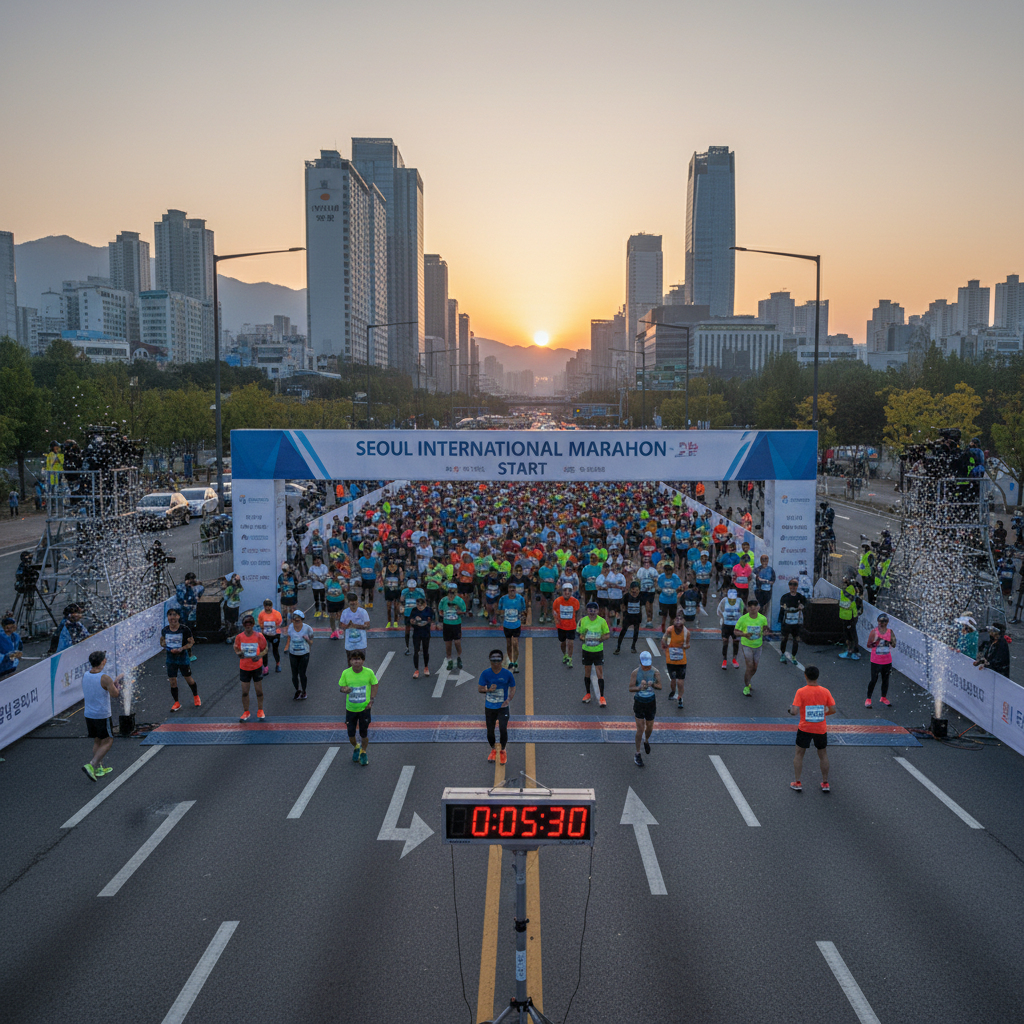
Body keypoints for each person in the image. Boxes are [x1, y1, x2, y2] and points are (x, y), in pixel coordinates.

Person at [788, 665, 836, 792]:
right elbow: (833, 709)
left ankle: (797, 782)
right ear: (817, 677)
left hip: (805, 728)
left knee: (799, 754)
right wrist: (822, 714)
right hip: (820, 728)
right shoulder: (825, 692)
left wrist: (791, 710)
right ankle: (825, 783)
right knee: (823, 754)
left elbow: (794, 711)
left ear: (805, 676)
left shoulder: (801, 692)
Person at [81, 650, 123, 780]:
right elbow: (115, 694)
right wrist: (118, 686)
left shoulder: (86, 674)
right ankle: (92, 764)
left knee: (98, 739)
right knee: (108, 740)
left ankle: (99, 768)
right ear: (103, 661)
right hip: (102, 715)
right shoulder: (105, 678)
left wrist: (113, 684)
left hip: (89, 714)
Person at [338, 650, 379, 765]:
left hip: (364, 709)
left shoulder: (369, 672)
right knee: (351, 735)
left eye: (359, 659)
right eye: (354, 659)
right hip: (350, 709)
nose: (357, 661)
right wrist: (344, 690)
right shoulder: (346, 673)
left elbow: (375, 684)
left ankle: (363, 751)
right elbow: (341, 687)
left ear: (363, 661)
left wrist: (371, 700)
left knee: (363, 734)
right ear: (350, 661)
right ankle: (356, 746)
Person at [478, 649, 516, 765]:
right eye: (493, 660)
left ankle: (503, 750)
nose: (496, 663)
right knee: (490, 731)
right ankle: (493, 749)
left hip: (502, 707)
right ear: (490, 661)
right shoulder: (485, 673)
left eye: (498, 660)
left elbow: (513, 687)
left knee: (503, 729)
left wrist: (508, 699)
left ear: (501, 661)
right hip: (490, 707)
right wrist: (488, 690)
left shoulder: (507, 674)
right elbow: (480, 688)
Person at [161, 606, 199, 711]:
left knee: (188, 679)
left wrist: (182, 648)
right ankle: (176, 703)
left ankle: (196, 696)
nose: (172, 617)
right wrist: (166, 646)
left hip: (182, 658)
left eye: (174, 615)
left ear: (178, 616)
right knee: (172, 681)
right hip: (170, 658)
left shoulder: (184, 629)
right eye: (170, 615)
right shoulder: (164, 630)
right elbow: (162, 642)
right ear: (167, 617)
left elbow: (191, 642)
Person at [629, 650, 661, 767]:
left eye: (648, 664)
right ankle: (637, 753)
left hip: (651, 702)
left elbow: (660, 686)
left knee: (650, 727)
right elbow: (630, 688)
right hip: (639, 702)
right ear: (640, 662)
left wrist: (653, 684)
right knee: (640, 729)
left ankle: (646, 740)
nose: (646, 666)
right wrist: (639, 687)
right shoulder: (635, 673)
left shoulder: (655, 671)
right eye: (644, 664)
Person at [233, 614, 268, 721]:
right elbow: (235, 647)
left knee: (259, 691)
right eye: (246, 624)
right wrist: (238, 653)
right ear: (244, 626)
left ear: (253, 625)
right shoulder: (239, 637)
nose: (248, 626)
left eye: (250, 624)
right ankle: (246, 712)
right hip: (244, 667)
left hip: (256, 667)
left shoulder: (259, 636)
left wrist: (259, 656)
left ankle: (260, 710)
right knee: (244, 692)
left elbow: (265, 649)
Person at [577, 600, 611, 706]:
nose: (592, 612)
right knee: (587, 672)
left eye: (594, 610)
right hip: (587, 650)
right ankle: (588, 694)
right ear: (587, 610)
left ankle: (602, 696)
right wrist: (584, 638)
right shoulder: (583, 621)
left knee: (599, 673)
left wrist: (599, 639)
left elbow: (607, 634)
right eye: (590, 610)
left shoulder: (602, 621)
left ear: (597, 611)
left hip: (598, 650)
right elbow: (580, 635)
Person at [735, 598, 769, 696]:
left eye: (755, 607)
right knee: (749, 666)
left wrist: (765, 631)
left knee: (754, 668)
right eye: (751, 607)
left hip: (758, 646)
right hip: (747, 645)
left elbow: (764, 628)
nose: (753, 609)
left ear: (758, 608)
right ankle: (746, 686)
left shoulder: (762, 618)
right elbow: (736, 631)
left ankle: (748, 680)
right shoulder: (743, 619)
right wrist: (745, 634)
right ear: (748, 608)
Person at [661, 610, 690, 709]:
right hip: (671, 660)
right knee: (673, 680)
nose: (678, 620)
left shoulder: (686, 633)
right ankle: (673, 692)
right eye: (676, 619)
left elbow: (687, 645)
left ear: (684, 621)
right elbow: (664, 641)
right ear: (673, 621)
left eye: (680, 619)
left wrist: (684, 646)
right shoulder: (670, 630)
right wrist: (665, 645)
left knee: (680, 681)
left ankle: (680, 698)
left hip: (681, 661)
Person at [865, 613, 895, 707]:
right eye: (880, 622)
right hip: (876, 660)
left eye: (883, 622)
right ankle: (868, 698)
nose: (881, 624)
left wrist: (888, 642)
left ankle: (883, 697)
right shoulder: (874, 632)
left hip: (887, 660)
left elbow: (894, 644)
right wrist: (876, 642)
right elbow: (868, 645)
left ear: (887, 623)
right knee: (874, 679)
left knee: (885, 680)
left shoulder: (890, 632)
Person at [283, 609, 314, 699]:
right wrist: (287, 647)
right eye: (294, 620)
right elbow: (289, 638)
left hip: (304, 654)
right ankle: (297, 690)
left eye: (298, 620)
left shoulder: (307, 628)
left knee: (302, 673)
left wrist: (307, 639)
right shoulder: (290, 628)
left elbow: (311, 642)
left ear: (302, 620)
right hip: (293, 654)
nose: (296, 622)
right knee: (294, 675)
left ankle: (304, 691)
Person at [498, 581, 526, 672]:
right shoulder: (503, 599)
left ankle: (515, 661)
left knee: (515, 643)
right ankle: (510, 661)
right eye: (510, 588)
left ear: (516, 590)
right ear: (508, 590)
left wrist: (522, 618)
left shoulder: (520, 599)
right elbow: (499, 611)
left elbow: (523, 611)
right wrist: (503, 615)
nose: (512, 590)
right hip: (507, 625)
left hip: (516, 625)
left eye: (513, 588)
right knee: (509, 644)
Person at [777, 579, 806, 665]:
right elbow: (782, 609)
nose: (793, 587)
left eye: (795, 585)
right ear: (789, 586)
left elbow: (806, 604)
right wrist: (780, 620)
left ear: (797, 586)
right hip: (787, 622)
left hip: (796, 623)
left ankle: (793, 656)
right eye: (791, 585)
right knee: (784, 638)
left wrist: (802, 606)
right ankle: (782, 654)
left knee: (796, 639)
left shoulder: (800, 597)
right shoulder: (784, 597)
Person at [439, 582, 467, 670]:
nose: (451, 592)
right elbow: (440, 610)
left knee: (457, 643)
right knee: (448, 644)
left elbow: (464, 610)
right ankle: (449, 660)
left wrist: (459, 612)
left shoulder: (459, 600)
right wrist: (443, 616)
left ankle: (459, 657)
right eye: (450, 590)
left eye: (453, 591)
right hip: (447, 624)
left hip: (456, 624)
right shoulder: (443, 600)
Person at [614, 580, 644, 655]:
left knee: (636, 631)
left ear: (639, 590)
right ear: (630, 590)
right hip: (628, 616)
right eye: (633, 590)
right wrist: (622, 614)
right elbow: (622, 605)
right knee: (623, 630)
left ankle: (633, 646)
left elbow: (642, 606)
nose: (635, 592)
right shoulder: (626, 596)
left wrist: (641, 616)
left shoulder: (640, 596)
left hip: (637, 616)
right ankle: (618, 647)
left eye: (637, 590)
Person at [553, 583, 580, 666]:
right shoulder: (557, 601)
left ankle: (570, 658)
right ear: (562, 591)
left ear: (571, 592)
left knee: (570, 642)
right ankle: (565, 654)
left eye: (569, 591)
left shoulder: (575, 601)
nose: (567, 592)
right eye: (565, 590)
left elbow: (578, 613)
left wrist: (579, 624)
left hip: (571, 626)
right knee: (563, 642)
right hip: (561, 626)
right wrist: (556, 621)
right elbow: (554, 612)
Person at [717, 588, 744, 670]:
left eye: (733, 599)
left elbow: (742, 612)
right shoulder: (724, 601)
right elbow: (718, 610)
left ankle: (734, 659)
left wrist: (740, 622)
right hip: (726, 625)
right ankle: (724, 660)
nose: (732, 600)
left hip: (736, 626)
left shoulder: (740, 601)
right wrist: (723, 618)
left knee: (736, 642)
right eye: (730, 599)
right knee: (725, 641)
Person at [340, 591, 370, 663]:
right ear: (348, 602)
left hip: (361, 644)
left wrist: (355, 626)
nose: (353, 603)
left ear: (357, 601)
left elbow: (367, 625)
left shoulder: (363, 612)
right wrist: (348, 626)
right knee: (350, 662)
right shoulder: (345, 612)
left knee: (360, 663)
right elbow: (341, 625)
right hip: (349, 644)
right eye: (351, 601)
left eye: (354, 601)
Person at [837, 575, 861, 659]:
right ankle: (850, 650)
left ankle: (853, 651)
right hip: (844, 615)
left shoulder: (850, 589)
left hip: (850, 616)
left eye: (845, 581)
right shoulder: (845, 589)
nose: (843, 583)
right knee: (847, 634)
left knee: (851, 634)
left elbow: (849, 600)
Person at [410, 595, 434, 678]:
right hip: (416, 633)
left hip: (426, 633)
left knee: (425, 650)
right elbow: (411, 620)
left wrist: (431, 621)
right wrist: (413, 621)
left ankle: (426, 667)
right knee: (416, 651)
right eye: (418, 605)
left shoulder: (429, 610)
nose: (419, 607)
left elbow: (432, 619)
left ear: (425, 604)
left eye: (421, 605)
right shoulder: (414, 611)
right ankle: (416, 669)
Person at [257, 599, 283, 675]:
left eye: (269, 606)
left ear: (271, 606)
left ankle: (278, 664)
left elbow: (279, 623)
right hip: (266, 634)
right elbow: (260, 623)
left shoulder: (276, 614)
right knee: (264, 651)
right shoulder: (261, 614)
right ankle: (265, 667)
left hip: (275, 634)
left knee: (275, 650)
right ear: (264, 606)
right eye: (266, 607)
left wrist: (273, 627)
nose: (268, 608)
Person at [401, 576, 426, 654]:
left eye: (413, 588)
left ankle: (418, 647)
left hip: (416, 613)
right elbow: (401, 599)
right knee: (407, 630)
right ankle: (407, 647)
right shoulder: (405, 591)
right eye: (410, 588)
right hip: (407, 614)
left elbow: (424, 600)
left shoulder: (419, 591)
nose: (411, 589)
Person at [657, 561, 682, 632]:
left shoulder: (675, 578)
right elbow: (658, 587)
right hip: (663, 600)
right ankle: (663, 627)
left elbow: (680, 586)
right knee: (664, 615)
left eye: (669, 570)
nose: (668, 572)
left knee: (672, 616)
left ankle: (670, 629)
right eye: (666, 570)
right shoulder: (661, 577)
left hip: (672, 600)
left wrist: (679, 589)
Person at [325, 567, 347, 639]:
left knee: (339, 616)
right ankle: (333, 631)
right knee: (332, 616)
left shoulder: (341, 580)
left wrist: (341, 582)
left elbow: (346, 589)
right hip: (330, 601)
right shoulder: (328, 581)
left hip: (340, 600)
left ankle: (340, 629)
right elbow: (325, 588)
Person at [383, 557, 404, 629]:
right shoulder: (385, 569)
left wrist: (401, 589)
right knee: (388, 607)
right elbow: (383, 579)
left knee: (396, 607)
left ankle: (395, 621)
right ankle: (389, 621)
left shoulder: (399, 569)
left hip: (396, 590)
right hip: (388, 590)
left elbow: (401, 580)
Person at [754, 555, 776, 622]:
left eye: (766, 559)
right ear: (760, 560)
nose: (764, 561)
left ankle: (764, 623)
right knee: (759, 608)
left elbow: (773, 580)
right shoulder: (757, 569)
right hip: (759, 592)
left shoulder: (771, 570)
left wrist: (767, 581)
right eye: (763, 559)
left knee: (766, 608)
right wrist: (765, 581)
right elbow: (756, 579)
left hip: (768, 592)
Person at [223, 574, 243, 638]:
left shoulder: (237, 588)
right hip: (231, 605)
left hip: (234, 605)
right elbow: (226, 597)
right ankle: (229, 633)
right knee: (230, 620)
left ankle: (232, 633)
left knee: (233, 620)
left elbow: (225, 597)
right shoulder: (230, 588)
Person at [308, 554, 328, 618]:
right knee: (316, 600)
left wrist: (316, 577)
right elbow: (311, 575)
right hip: (315, 586)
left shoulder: (324, 567)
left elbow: (324, 576)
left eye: (318, 560)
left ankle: (324, 611)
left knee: (323, 599)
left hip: (322, 586)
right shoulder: (312, 568)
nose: (317, 561)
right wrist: (318, 578)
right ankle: (317, 611)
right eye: (316, 560)